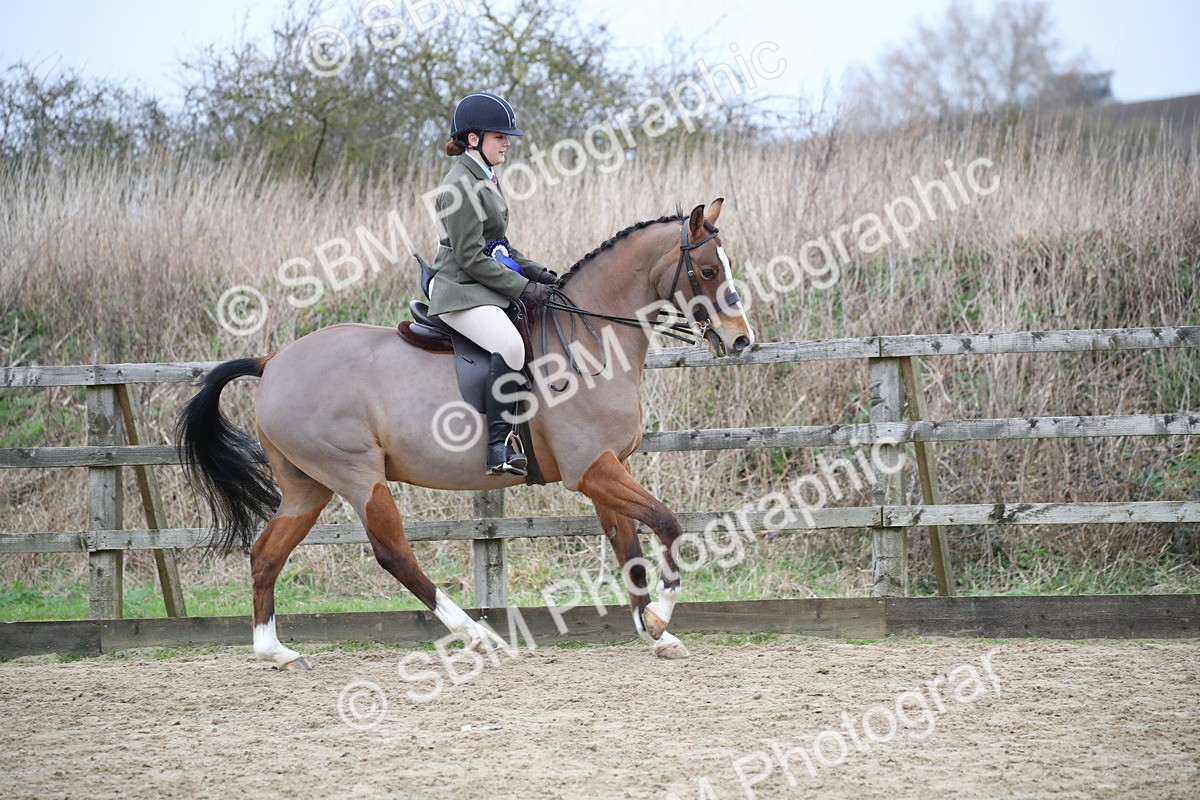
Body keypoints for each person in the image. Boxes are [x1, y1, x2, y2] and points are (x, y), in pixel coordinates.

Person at [426, 91, 558, 477]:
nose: (507, 143)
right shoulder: (458, 186)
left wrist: (535, 271)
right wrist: (521, 289)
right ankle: (499, 446)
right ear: (473, 139)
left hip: (479, 281)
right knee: (509, 343)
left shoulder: (484, 176)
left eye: (506, 137)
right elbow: (469, 256)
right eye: (500, 137)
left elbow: (496, 244)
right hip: (458, 288)